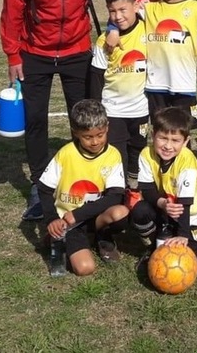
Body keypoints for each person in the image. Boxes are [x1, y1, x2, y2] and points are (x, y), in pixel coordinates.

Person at [0, 0, 144, 221]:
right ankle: (40, 188)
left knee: (84, 121)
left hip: (78, 51)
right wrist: (13, 53)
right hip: (34, 52)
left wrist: (117, 24)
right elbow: (11, 11)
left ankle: (88, 181)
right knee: (35, 121)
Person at [110, 0, 197, 130]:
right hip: (156, 86)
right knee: (160, 132)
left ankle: (185, 159)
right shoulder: (148, 9)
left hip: (184, 85)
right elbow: (121, 16)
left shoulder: (194, 9)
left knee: (183, 134)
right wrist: (112, 29)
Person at [38, 99, 130, 277]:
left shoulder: (112, 155)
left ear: (107, 127)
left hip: (94, 217)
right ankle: (57, 238)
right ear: (76, 132)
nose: (95, 142)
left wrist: (78, 214)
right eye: (88, 137)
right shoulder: (66, 154)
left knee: (121, 212)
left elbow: (115, 196)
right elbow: (44, 189)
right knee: (85, 268)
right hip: (69, 224)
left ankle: (102, 237)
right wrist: (52, 219)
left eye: (100, 135)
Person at [130, 107, 197, 278]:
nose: (168, 146)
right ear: (153, 135)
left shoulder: (187, 160)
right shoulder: (146, 154)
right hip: (166, 211)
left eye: (175, 140)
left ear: (185, 141)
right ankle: (153, 246)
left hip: (192, 216)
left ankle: (177, 237)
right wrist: (162, 204)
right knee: (140, 210)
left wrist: (183, 235)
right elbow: (146, 189)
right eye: (162, 138)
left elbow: (185, 202)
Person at [90, 0, 148, 199]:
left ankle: (135, 192)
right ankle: (118, 194)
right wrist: (97, 111)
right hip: (113, 110)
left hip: (140, 110)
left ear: (135, 6)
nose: (118, 16)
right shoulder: (105, 41)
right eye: (112, 11)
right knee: (116, 155)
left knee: (138, 151)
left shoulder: (147, 26)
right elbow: (96, 77)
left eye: (123, 9)